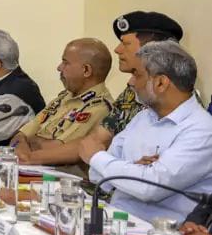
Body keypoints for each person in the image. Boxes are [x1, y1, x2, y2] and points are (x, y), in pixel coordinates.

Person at [82, 41, 212, 223]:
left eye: (137, 74)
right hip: (115, 219)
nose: (130, 82)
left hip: (158, 233)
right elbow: (97, 176)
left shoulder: (201, 129)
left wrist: (98, 157)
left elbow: (150, 188)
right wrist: (134, 170)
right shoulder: (144, 117)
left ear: (161, 83)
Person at [64, 12, 184, 162]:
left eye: (126, 44)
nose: (117, 49)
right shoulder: (130, 93)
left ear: (152, 49)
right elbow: (95, 141)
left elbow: (160, 167)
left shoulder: (176, 95)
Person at [11, 38, 114, 175]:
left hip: (60, 179)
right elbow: (19, 136)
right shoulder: (63, 97)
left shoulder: (99, 107)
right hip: (31, 169)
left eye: (66, 62)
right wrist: (24, 149)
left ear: (86, 70)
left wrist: (29, 144)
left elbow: (57, 151)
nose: (59, 67)